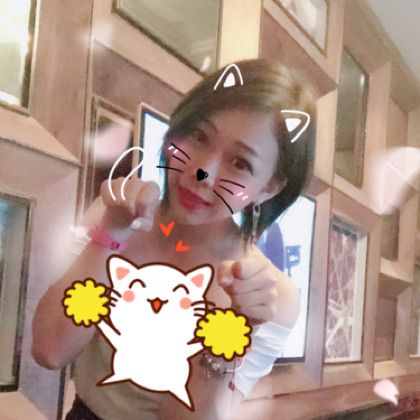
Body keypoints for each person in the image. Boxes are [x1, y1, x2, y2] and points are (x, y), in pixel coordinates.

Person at [31, 58, 316, 420]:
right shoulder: (114, 216)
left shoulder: (271, 298)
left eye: (240, 163)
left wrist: (231, 331)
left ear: (269, 188)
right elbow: (49, 351)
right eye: (199, 136)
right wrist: (110, 235)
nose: (202, 171)